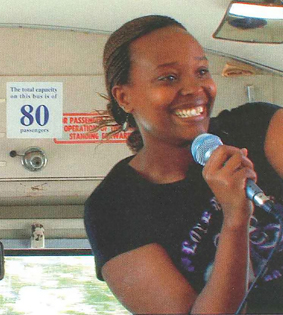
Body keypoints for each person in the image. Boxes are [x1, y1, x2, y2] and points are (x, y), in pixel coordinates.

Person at [84, 15, 283, 314]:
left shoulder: (259, 126)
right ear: (125, 96)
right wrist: (235, 219)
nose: (194, 88)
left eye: (201, 71)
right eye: (169, 77)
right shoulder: (113, 208)